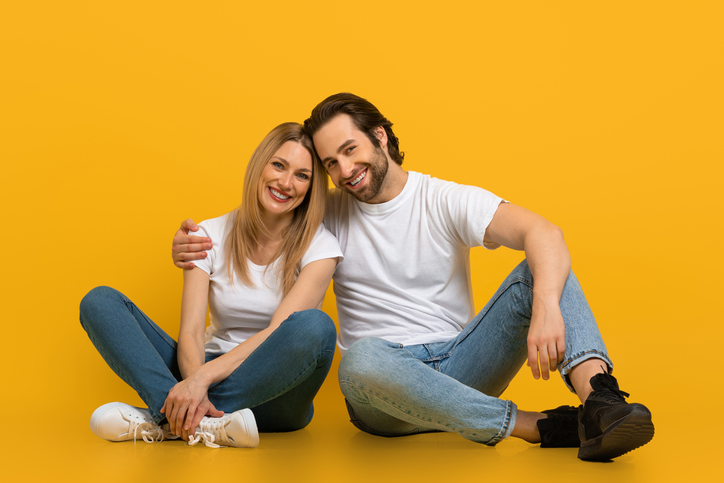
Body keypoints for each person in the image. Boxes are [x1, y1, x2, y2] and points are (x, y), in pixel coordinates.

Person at [172, 94, 654, 461]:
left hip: (464, 365)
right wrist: (193, 247)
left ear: (380, 136)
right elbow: (264, 219)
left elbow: (544, 232)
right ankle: (537, 426)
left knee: (543, 263)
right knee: (358, 359)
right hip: (380, 388)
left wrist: (546, 304)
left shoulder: (442, 198)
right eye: (330, 164)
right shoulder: (325, 212)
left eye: (350, 150)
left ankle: (601, 404)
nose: (345, 171)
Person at [81, 122, 342, 448]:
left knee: (315, 326)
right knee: (99, 301)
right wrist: (194, 380)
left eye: (302, 175)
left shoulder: (322, 248)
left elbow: (278, 331)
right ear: (259, 165)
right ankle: (194, 422)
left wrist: (202, 381)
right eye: (278, 165)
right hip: (203, 368)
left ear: (311, 188)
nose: (286, 182)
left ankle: (168, 417)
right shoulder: (207, 235)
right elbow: (190, 332)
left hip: (279, 396)